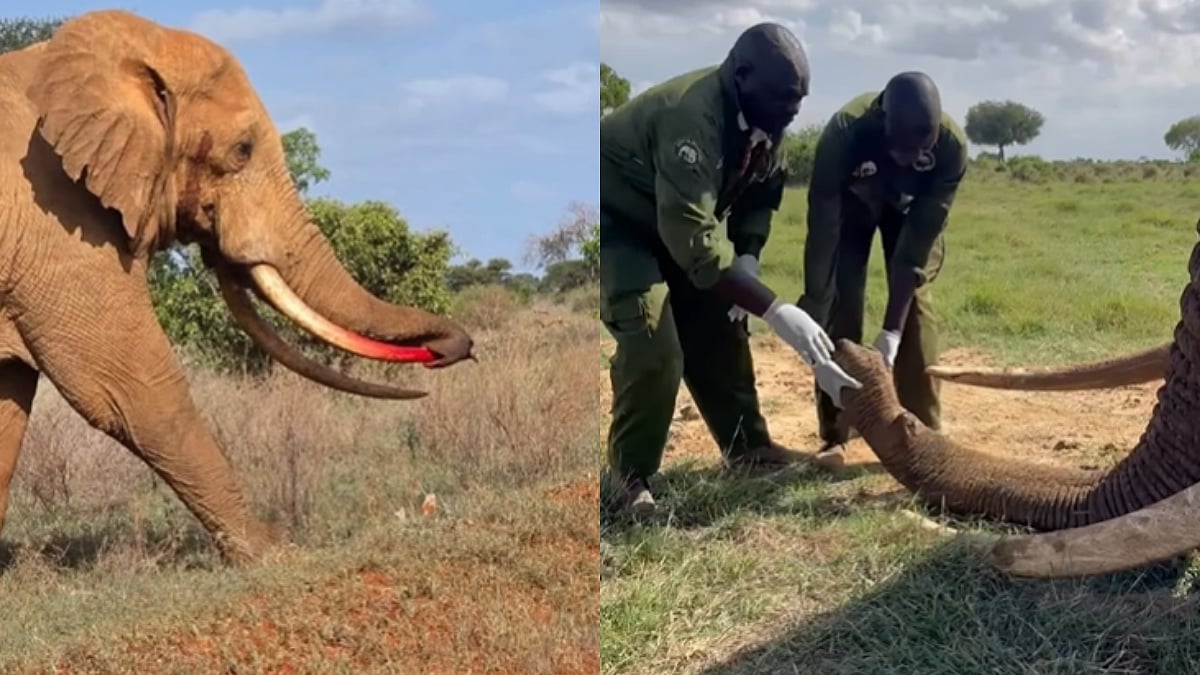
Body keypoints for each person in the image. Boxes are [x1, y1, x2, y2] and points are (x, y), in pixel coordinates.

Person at [599, 22, 862, 516]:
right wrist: (778, 310)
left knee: (722, 320)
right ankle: (629, 478)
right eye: (785, 98)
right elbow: (695, 243)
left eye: (800, 101)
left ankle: (748, 450)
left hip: (679, 225)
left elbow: (760, 195)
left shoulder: (767, 121)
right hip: (621, 227)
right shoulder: (690, 118)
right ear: (742, 76)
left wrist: (748, 253)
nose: (792, 111)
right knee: (654, 343)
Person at [796, 72, 968, 469]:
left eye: (919, 151)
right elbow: (824, 227)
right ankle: (836, 435)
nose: (908, 158)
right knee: (841, 306)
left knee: (915, 314)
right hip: (850, 210)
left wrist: (891, 330)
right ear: (881, 119)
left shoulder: (951, 147)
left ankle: (925, 433)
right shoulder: (846, 133)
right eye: (899, 148)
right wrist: (815, 300)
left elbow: (916, 250)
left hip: (908, 214)